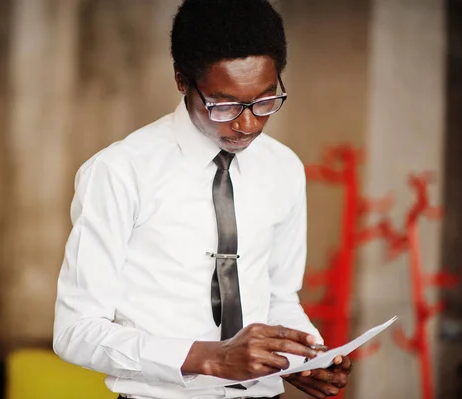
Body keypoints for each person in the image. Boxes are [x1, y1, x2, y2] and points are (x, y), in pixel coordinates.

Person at [53, 0, 352, 398]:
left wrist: (305, 357)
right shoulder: (120, 171)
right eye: (224, 104)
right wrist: (208, 357)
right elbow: (76, 331)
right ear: (182, 81)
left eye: (265, 100)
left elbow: (278, 296)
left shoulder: (284, 168)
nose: (247, 124)